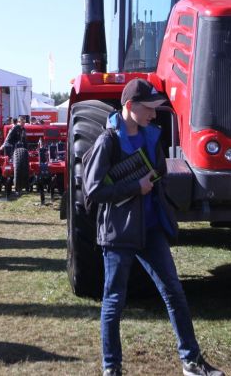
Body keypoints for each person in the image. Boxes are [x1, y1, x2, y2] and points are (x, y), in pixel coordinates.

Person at [83, 79, 223, 376]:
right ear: (130, 107)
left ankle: (191, 362)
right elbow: (93, 191)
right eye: (148, 109)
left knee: (174, 293)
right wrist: (136, 187)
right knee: (114, 302)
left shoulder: (152, 136)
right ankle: (112, 368)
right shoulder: (107, 141)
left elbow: (158, 173)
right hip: (119, 234)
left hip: (151, 229)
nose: (154, 115)